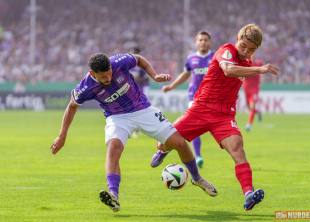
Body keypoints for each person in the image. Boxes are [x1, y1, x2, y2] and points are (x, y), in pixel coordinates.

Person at [49, 52, 217, 213]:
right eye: (103, 77)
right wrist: (62, 135)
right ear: (93, 73)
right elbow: (72, 106)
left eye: (109, 74)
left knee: (180, 143)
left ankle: (196, 178)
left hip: (143, 109)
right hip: (117, 117)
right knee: (113, 148)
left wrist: (154, 76)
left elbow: (139, 60)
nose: (108, 78)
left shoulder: (118, 62)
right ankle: (113, 195)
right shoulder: (86, 87)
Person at [151, 24, 279, 211]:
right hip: (200, 109)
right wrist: (260, 70)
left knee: (238, 149)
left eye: (251, 49)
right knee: (163, 143)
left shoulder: (247, 63)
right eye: (243, 46)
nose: (245, 52)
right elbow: (227, 70)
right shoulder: (225, 50)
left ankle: (248, 194)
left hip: (224, 115)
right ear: (237, 40)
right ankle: (163, 150)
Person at [154, 30, 214, 168]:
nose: (203, 42)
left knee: (210, 126)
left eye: (205, 40)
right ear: (196, 42)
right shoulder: (191, 58)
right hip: (195, 97)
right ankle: (197, 155)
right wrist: (171, 86)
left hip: (211, 99)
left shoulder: (216, 58)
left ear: (209, 42)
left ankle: (167, 146)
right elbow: (185, 74)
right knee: (195, 124)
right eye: (201, 40)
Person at [128, 47, 150, 138]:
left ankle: (137, 130)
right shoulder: (127, 66)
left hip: (140, 91)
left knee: (138, 110)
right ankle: (132, 129)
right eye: (131, 53)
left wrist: (137, 79)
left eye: (134, 53)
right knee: (130, 110)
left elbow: (147, 78)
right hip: (129, 91)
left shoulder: (141, 65)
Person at [242, 54, 263, 131]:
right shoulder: (246, 63)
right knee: (249, 108)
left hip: (255, 88)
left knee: (252, 107)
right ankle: (258, 111)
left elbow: (262, 74)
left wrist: (260, 82)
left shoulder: (259, 63)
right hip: (246, 87)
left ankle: (249, 124)